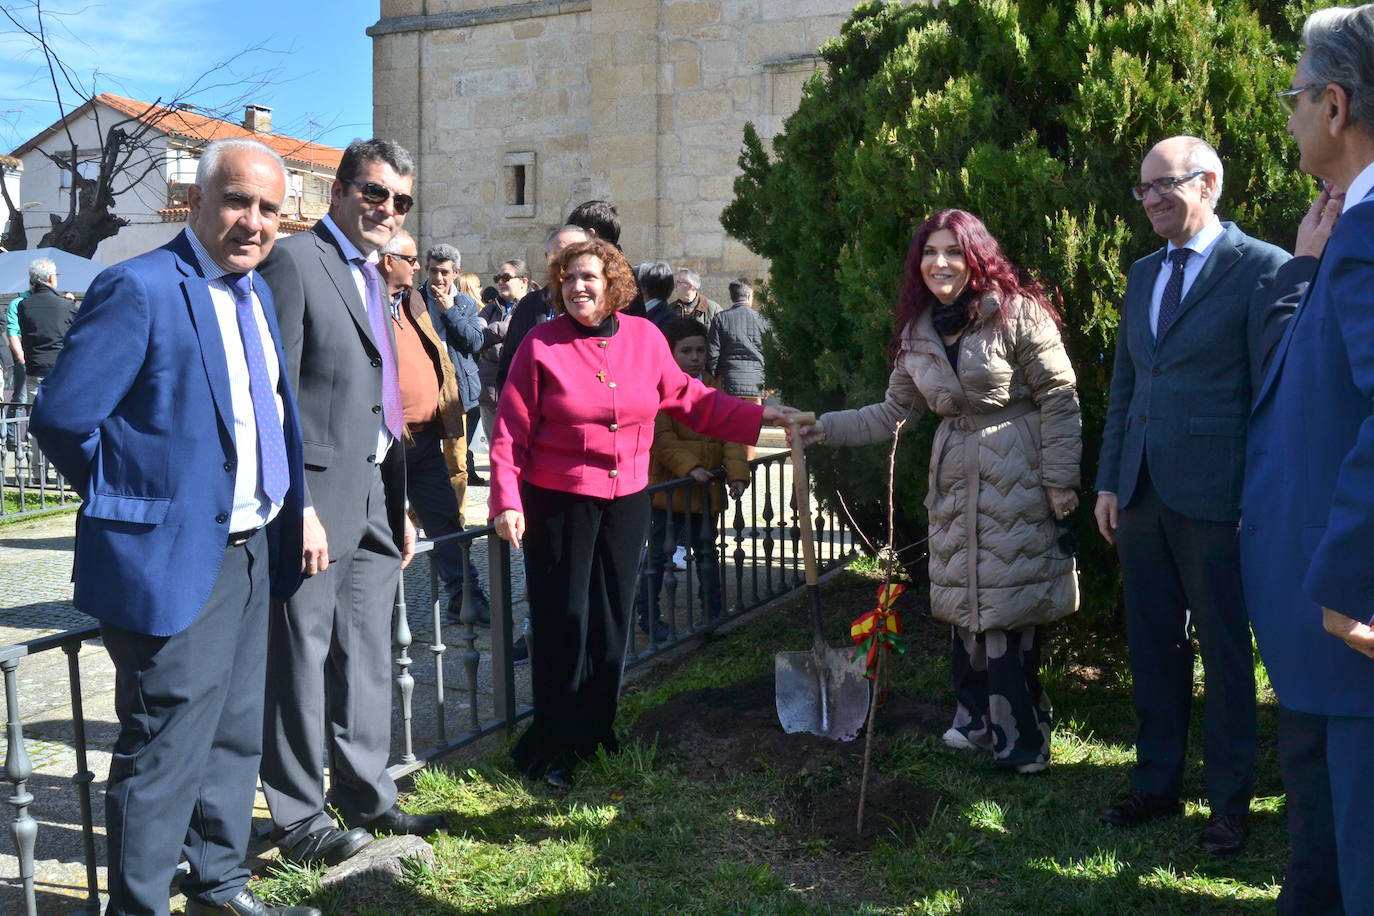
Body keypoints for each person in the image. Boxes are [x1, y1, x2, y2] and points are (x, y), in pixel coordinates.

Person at [30, 138, 316, 916]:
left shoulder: (254, 291)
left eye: (267, 208)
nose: (253, 220)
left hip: (256, 549)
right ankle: (139, 905)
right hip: (175, 561)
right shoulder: (141, 286)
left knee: (232, 735)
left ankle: (219, 882)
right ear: (197, 200)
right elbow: (61, 417)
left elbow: (264, 419)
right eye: (237, 200)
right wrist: (135, 503)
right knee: (163, 750)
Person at [489, 237, 791, 789]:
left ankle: (596, 731)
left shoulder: (646, 339)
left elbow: (694, 401)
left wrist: (760, 418)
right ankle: (551, 746)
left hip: (626, 500)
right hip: (557, 501)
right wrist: (506, 499)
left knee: (610, 619)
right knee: (563, 625)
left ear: (612, 285)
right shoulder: (540, 344)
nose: (578, 286)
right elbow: (510, 431)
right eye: (569, 277)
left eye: (590, 276)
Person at [797, 209, 1080, 774]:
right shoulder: (920, 330)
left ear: (977, 256)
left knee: (1008, 605)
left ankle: (1022, 742)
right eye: (929, 252)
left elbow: (1059, 397)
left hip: (1016, 472)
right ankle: (976, 720)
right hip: (954, 478)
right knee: (966, 602)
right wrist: (823, 427)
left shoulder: (1016, 313)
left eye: (953, 251)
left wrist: (1059, 482)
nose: (940, 262)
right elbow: (894, 411)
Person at [1093, 136, 1289, 856]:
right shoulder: (1144, 272)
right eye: (1141, 189)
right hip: (1142, 491)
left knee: (1226, 654)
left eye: (1161, 186)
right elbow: (1127, 388)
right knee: (1154, 644)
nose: (1147, 200)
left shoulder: (1261, 268)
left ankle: (1230, 803)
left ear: (1208, 183)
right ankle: (1156, 783)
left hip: (1218, 498)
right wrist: (1111, 479)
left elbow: (1272, 396)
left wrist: (1256, 497)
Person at [258, 138, 442, 869]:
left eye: (401, 201)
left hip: (370, 494)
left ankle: (366, 791)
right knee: (301, 656)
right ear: (338, 191)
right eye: (374, 193)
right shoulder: (296, 262)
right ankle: (299, 817)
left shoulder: (373, 275)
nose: (387, 211)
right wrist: (295, 502)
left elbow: (378, 397)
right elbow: (275, 397)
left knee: (367, 647)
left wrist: (393, 500)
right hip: (311, 499)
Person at [1244, 6, 1374, 911]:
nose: (1285, 117)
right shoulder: (1343, 237)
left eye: (1293, 98)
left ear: (1334, 106)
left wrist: (1355, 582)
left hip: (1353, 638)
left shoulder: (1367, 239)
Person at [380, 231, 491, 626]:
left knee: (445, 519)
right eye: (411, 260)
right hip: (383, 439)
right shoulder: (365, 301)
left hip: (424, 436)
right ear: (386, 260)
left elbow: (461, 346)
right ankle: (376, 614)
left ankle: (467, 597)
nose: (417, 268)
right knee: (380, 528)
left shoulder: (412, 301)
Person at [636, 315, 748, 640]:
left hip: (707, 488)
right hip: (669, 489)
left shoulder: (715, 386)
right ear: (670, 353)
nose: (695, 357)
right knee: (659, 554)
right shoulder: (657, 388)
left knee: (707, 555)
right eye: (687, 351)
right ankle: (647, 615)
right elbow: (662, 438)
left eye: (700, 350)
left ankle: (712, 614)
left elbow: (731, 433)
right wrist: (690, 468)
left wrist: (737, 473)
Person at [418, 244, 484, 489]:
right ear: (426, 269)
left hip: (456, 390)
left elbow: (476, 342)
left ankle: (458, 521)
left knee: (456, 460)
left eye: (445, 272)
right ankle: (415, 519)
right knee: (420, 457)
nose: (439, 278)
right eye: (434, 271)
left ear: (456, 272)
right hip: (423, 387)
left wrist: (450, 312)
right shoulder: (414, 300)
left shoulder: (465, 303)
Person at [478, 257, 530, 453]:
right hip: (490, 391)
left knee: (519, 451)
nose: (500, 281)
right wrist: (503, 333)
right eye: (498, 277)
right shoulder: (489, 309)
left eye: (506, 277)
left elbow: (521, 343)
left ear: (523, 281)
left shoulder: (532, 307)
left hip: (519, 391)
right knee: (496, 451)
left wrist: (491, 337)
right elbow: (476, 337)